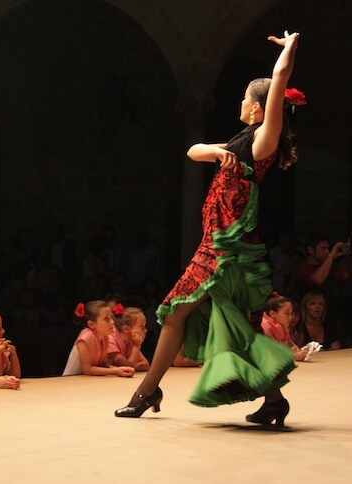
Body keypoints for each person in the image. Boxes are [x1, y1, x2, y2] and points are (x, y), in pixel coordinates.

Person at [115, 31, 302, 426]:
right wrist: (217, 151)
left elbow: (280, 79)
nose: (240, 102)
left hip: (223, 253)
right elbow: (192, 150)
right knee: (231, 325)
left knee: (174, 314)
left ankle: (147, 390)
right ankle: (274, 400)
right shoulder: (238, 141)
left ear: (257, 108)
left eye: (245, 98)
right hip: (218, 248)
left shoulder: (262, 141)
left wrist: (286, 53)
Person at [63, 301, 135, 377]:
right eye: (106, 318)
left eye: (111, 318)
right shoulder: (86, 337)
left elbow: (104, 365)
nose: (112, 322)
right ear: (91, 324)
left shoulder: (105, 338)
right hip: (70, 380)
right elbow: (87, 369)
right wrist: (115, 371)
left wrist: (121, 369)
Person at [260, 296, 307, 361]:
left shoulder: (281, 325)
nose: (290, 317)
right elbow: (270, 353)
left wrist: (296, 349)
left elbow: (289, 343)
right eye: (287, 313)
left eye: (291, 313)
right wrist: (292, 356)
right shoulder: (265, 326)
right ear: (272, 314)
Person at [108, 306, 150, 371]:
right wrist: (136, 346)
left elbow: (146, 364)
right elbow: (128, 367)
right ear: (126, 329)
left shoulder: (130, 339)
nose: (145, 330)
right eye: (141, 327)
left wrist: (131, 366)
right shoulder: (110, 340)